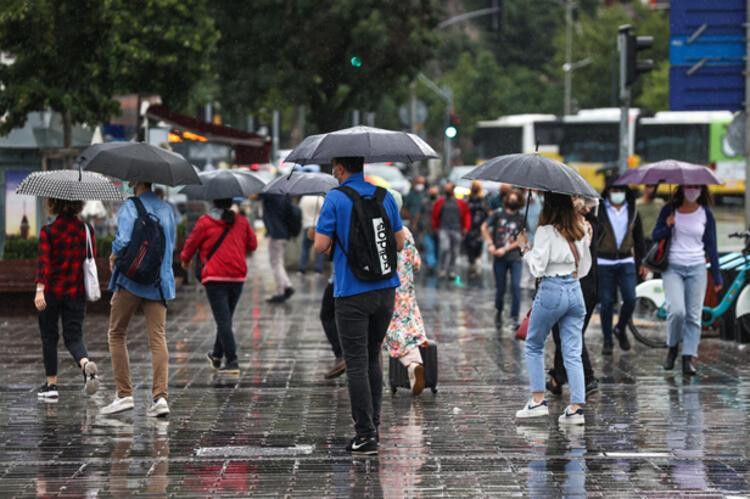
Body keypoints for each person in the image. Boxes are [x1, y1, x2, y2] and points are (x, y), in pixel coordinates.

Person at [314, 156, 405, 455]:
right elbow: (400, 242)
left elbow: (320, 245)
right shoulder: (385, 196)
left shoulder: (335, 198)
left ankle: (365, 435)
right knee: (371, 357)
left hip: (351, 292)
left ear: (340, 169)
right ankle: (373, 426)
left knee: (355, 363)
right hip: (385, 291)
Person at [515, 192, 592, 425]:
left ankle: (537, 400)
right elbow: (585, 266)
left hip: (552, 289)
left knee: (534, 343)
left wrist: (525, 249)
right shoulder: (580, 230)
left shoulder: (545, 231)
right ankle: (576, 408)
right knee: (572, 350)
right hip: (575, 291)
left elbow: (538, 268)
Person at [101, 181, 177, 417]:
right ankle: (160, 398)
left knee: (116, 333)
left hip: (131, 281)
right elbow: (170, 247)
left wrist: (113, 255)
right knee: (158, 337)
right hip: (158, 283)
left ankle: (124, 395)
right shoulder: (167, 209)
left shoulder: (130, 207)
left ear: (135, 182)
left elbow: (123, 240)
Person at [180, 198, 257, 374]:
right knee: (226, 319)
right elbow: (253, 245)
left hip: (215, 276)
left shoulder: (205, 222)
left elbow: (192, 243)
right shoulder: (242, 221)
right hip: (237, 276)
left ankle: (232, 361)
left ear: (213, 202)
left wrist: (185, 259)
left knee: (223, 320)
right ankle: (216, 355)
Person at [653, 185, 722, 376]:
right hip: (672, 267)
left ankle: (688, 357)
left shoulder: (705, 213)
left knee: (694, 316)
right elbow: (654, 235)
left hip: (697, 268)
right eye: (689, 186)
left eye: (697, 187)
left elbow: (712, 246)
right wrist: (667, 226)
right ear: (682, 188)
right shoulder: (669, 210)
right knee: (677, 311)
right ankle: (672, 347)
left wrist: (716, 275)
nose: (693, 190)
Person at [34, 198, 99, 399]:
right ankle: (85, 364)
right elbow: (91, 257)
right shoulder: (86, 230)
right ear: (78, 204)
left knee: (49, 336)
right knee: (74, 337)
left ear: (54, 203)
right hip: (76, 292)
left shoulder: (49, 231)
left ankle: (51, 385)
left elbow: (44, 263)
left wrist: (39, 289)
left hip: (51, 293)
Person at [548, 198, 599, 398]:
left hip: (573, 287)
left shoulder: (579, 227)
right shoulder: (587, 226)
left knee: (568, 335)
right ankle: (558, 378)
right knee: (567, 335)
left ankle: (587, 379)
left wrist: (526, 249)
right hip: (585, 289)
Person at [384, 193, 429, 396]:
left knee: (391, 334)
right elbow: (416, 263)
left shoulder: (380, 230)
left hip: (387, 290)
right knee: (407, 333)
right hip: (407, 292)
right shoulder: (406, 231)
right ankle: (415, 367)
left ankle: (411, 366)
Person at [596, 183, 647, 355]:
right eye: (613, 189)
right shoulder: (600, 209)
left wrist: (643, 262)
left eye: (620, 190)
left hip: (626, 260)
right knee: (607, 303)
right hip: (604, 262)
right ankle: (607, 340)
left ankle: (620, 328)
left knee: (631, 298)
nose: (617, 193)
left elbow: (639, 238)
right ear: (608, 191)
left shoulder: (632, 211)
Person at [482, 189, 525, 330]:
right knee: (500, 288)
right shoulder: (498, 214)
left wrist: (506, 249)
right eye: (511, 199)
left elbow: (522, 239)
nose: (513, 201)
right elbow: (484, 227)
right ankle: (499, 309)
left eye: (515, 199)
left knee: (516, 287)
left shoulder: (521, 218)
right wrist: (490, 244)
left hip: (514, 257)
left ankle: (514, 317)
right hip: (498, 258)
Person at [431, 182, 470, 279]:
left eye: (448, 188)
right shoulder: (441, 202)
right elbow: (435, 215)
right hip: (444, 229)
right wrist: (435, 227)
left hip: (457, 229)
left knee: (455, 251)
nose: (446, 190)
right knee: (444, 248)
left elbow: (466, 215)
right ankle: (443, 269)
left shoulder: (460, 203)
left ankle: (452, 270)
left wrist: (466, 227)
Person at [262, 193, 295, 303]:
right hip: (284, 233)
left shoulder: (269, 197)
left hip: (275, 233)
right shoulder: (286, 197)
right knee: (279, 262)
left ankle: (281, 291)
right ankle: (287, 285)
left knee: (275, 263)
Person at [464, 181, 489, 277]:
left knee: (478, 246)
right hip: (469, 226)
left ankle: (477, 264)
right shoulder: (468, 199)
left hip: (479, 227)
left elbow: (486, 213)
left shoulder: (483, 200)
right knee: (468, 246)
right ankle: (472, 264)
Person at [414, 186, 440, 272]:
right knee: (429, 247)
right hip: (427, 228)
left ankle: (435, 263)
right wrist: (415, 223)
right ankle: (431, 264)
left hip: (439, 229)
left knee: (438, 247)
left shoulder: (440, 202)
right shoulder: (424, 202)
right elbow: (419, 213)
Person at [298, 195, 324, 274]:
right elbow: (324, 211)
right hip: (318, 226)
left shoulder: (303, 198)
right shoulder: (320, 198)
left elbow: (300, 211)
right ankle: (318, 270)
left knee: (305, 248)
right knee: (319, 249)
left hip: (307, 226)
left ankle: (302, 269)